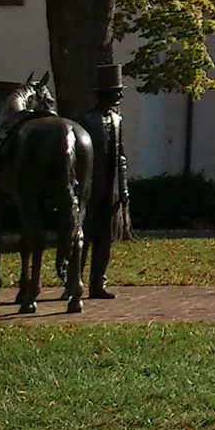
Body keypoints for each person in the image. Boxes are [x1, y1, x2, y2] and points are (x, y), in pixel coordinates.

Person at [79, 62, 132, 299]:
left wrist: (123, 188)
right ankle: (75, 281)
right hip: (90, 188)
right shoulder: (86, 120)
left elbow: (121, 156)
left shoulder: (118, 120)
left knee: (105, 239)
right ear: (105, 94)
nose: (119, 95)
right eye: (116, 91)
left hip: (110, 188)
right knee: (83, 238)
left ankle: (98, 283)